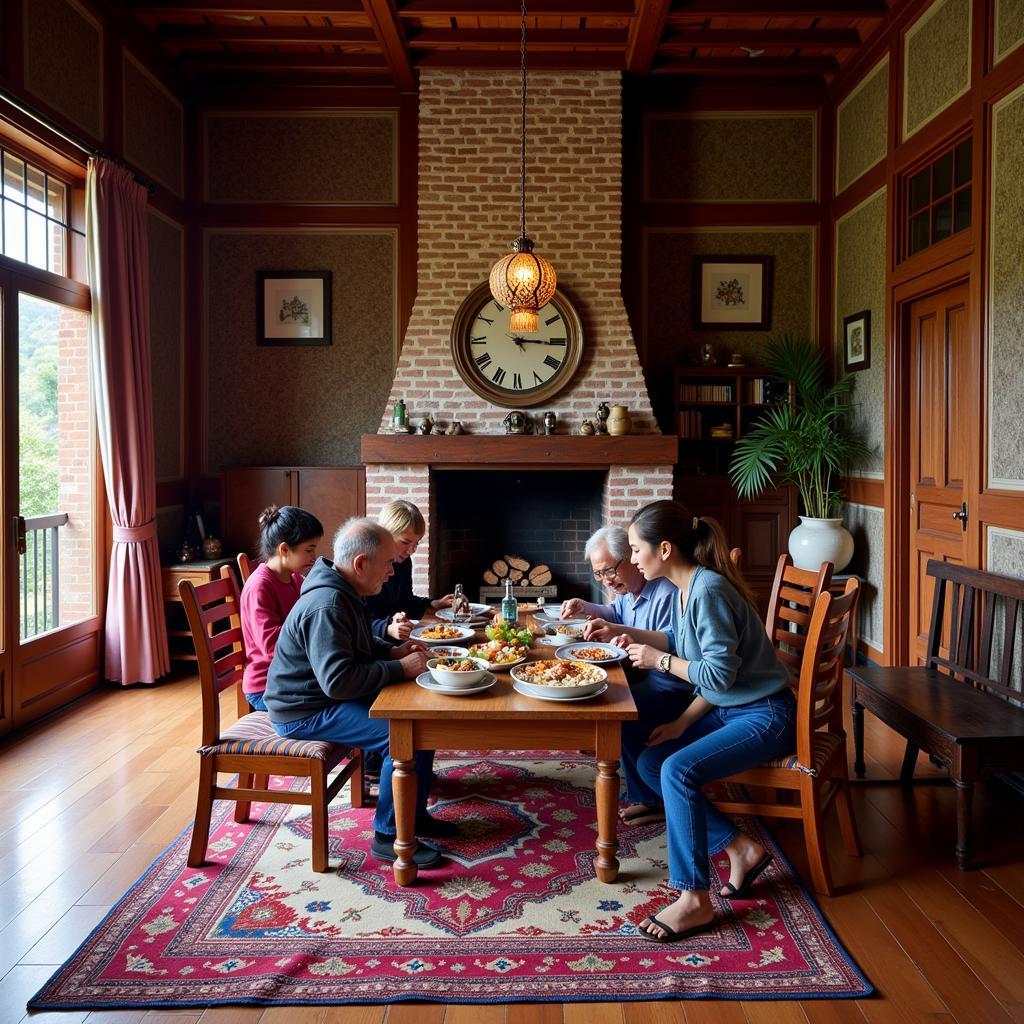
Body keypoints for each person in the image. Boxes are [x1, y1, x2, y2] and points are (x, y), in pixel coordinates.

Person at [619, 500, 795, 943]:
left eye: (636, 550)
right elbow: (688, 646)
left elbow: (717, 674)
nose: (632, 559)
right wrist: (680, 723)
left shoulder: (708, 590)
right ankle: (741, 847)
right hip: (730, 706)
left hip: (765, 713)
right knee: (650, 762)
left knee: (676, 769)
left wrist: (659, 661)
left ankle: (694, 899)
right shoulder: (686, 587)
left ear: (663, 548)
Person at [264, 517, 456, 868]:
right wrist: (400, 668)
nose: (391, 573)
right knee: (403, 737)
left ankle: (412, 815)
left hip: (324, 699)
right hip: (305, 711)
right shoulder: (329, 604)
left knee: (421, 719)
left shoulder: (343, 590)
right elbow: (338, 681)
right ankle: (389, 836)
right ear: (361, 563)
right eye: (386, 564)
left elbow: (359, 642)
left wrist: (391, 651)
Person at [559, 526, 689, 825]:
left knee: (616, 713)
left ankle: (652, 799)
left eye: (609, 571)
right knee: (598, 696)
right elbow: (617, 614)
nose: (606, 580)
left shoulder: (666, 591)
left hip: (672, 688)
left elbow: (675, 640)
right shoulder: (631, 590)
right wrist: (586, 607)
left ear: (631, 558)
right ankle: (643, 788)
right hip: (643, 676)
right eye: (599, 574)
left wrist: (627, 636)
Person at [239, 505, 323, 712]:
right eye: (309, 550)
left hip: (292, 677)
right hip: (267, 686)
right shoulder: (260, 586)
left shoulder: (295, 579)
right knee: (347, 693)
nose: (314, 557)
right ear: (284, 549)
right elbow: (271, 647)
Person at [365, 500, 454, 641]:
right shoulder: (366, 566)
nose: (411, 550)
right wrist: (386, 628)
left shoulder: (404, 561)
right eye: (406, 542)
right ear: (386, 534)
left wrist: (433, 603)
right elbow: (355, 621)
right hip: (375, 643)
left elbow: (405, 601)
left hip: (399, 635)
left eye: (416, 544)